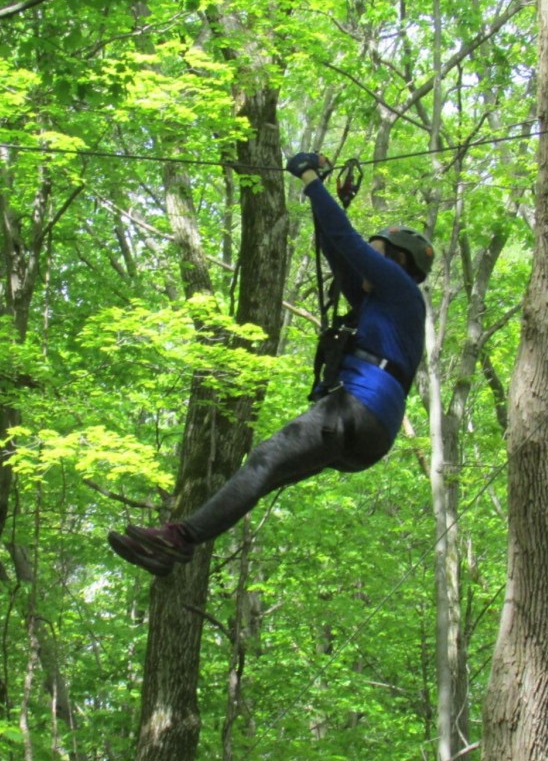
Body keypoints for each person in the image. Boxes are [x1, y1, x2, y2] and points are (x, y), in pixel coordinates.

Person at [107, 152, 433, 577]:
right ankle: (176, 543)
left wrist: (311, 180)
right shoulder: (385, 303)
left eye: (377, 253)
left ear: (398, 261)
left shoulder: (397, 286)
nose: (367, 260)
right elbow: (338, 251)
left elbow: (345, 239)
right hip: (370, 431)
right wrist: (323, 200)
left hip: (358, 408)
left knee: (264, 459)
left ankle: (176, 539)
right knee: (264, 470)